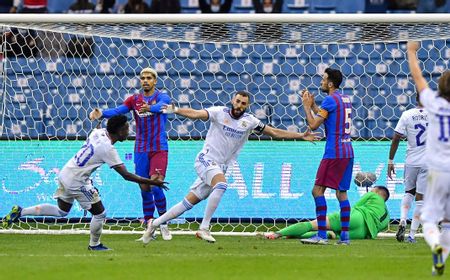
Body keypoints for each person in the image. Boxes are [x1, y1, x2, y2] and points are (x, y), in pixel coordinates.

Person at [141, 91, 320, 244]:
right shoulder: (219, 112)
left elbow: (273, 132)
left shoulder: (250, 121)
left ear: (247, 106)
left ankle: (154, 224)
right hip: (206, 159)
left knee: (188, 203)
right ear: (232, 101)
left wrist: (300, 135)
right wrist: (176, 109)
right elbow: (196, 114)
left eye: (243, 103)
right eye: (237, 101)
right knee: (221, 185)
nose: (239, 105)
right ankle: (204, 228)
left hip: (221, 166)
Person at [1, 115, 168, 251]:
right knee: (100, 213)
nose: (128, 131)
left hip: (66, 173)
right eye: (126, 128)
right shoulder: (108, 149)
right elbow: (126, 175)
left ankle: (21, 211)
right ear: (118, 131)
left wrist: (97, 117)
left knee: (61, 211)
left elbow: (97, 126)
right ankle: (94, 245)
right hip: (77, 182)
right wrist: (152, 182)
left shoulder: (98, 132)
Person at [89, 67, 172, 241]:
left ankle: (163, 222)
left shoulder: (162, 97)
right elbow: (118, 111)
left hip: (159, 147)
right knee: (144, 187)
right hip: (141, 148)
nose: (146, 81)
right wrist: (101, 113)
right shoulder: (134, 100)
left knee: (156, 184)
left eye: (149, 78)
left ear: (155, 81)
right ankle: (150, 226)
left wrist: (150, 107)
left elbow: (161, 107)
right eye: (143, 78)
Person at [407, 40, 450, 276]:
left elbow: (418, 77)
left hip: (437, 170)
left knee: (430, 219)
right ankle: (439, 262)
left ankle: (434, 247)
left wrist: (411, 52)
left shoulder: (432, 103)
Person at [300, 68, 354, 245]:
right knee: (342, 193)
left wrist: (307, 108)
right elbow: (328, 115)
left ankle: (321, 235)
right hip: (348, 152)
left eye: (323, 79)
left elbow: (314, 124)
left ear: (330, 83)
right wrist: (316, 105)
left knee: (317, 191)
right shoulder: (345, 99)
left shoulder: (330, 100)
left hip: (334, 152)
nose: (321, 82)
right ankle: (345, 237)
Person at [264, 186, 390, 240]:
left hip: (356, 217)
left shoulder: (373, 195)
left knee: (313, 224)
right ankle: (298, 235)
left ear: (377, 192)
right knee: (332, 234)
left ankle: (277, 234)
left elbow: (355, 206)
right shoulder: (387, 217)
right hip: (362, 233)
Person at [387, 94, 428, 243]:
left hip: (411, 161)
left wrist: (390, 160)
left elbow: (396, 137)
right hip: (427, 163)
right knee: (421, 199)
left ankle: (403, 219)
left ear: (416, 99)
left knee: (408, 192)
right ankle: (411, 235)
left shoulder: (407, 114)